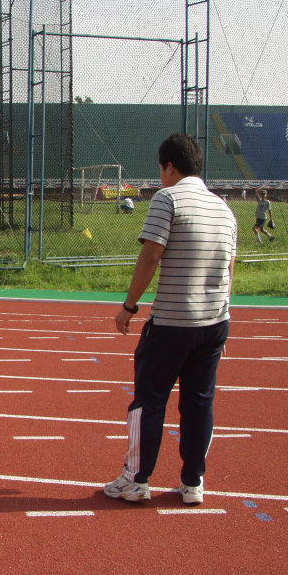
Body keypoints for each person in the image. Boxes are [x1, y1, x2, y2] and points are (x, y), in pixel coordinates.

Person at [104, 134, 237, 505]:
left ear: (170, 167)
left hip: (173, 323)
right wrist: (223, 319)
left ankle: (136, 479)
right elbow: (229, 269)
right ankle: (193, 482)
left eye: (161, 169)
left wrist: (129, 306)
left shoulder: (168, 198)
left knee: (149, 399)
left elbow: (150, 256)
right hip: (214, 322)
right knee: (199, 402)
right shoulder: (224, 209)